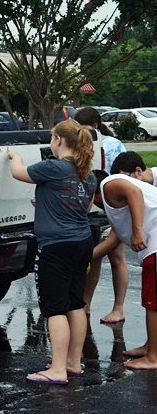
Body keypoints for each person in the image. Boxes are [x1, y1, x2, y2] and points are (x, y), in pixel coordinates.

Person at [7, 119, 97, 384]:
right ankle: (72, 362)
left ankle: (57, 369)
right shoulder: (87, 174)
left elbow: (18, 173)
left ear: (58, 140)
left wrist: (14, 155)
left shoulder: (53, 167)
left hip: (56, 246)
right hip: (82, 242)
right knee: (74, 303)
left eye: (51, 138)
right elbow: (87, 208)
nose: (50, 143)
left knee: (55, 307)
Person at [91, 170, 157, 370]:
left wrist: (137, 231)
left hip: (155, 245)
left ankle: (153, 357)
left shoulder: (109, 184)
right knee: (151, 301)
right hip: (152, 247)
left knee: (153, 303)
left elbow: (134, 192)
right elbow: (112, 242)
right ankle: (150, 347)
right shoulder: (114, 208)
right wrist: (80, 259)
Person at [75, 107, 128, 323]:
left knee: (116, 257)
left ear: (95, 126)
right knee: (94, 256)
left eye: (85, 129)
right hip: (91, 207)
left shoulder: (112, 145)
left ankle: (119, 307)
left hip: (111, 206)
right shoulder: (81, 144)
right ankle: (85, 303)